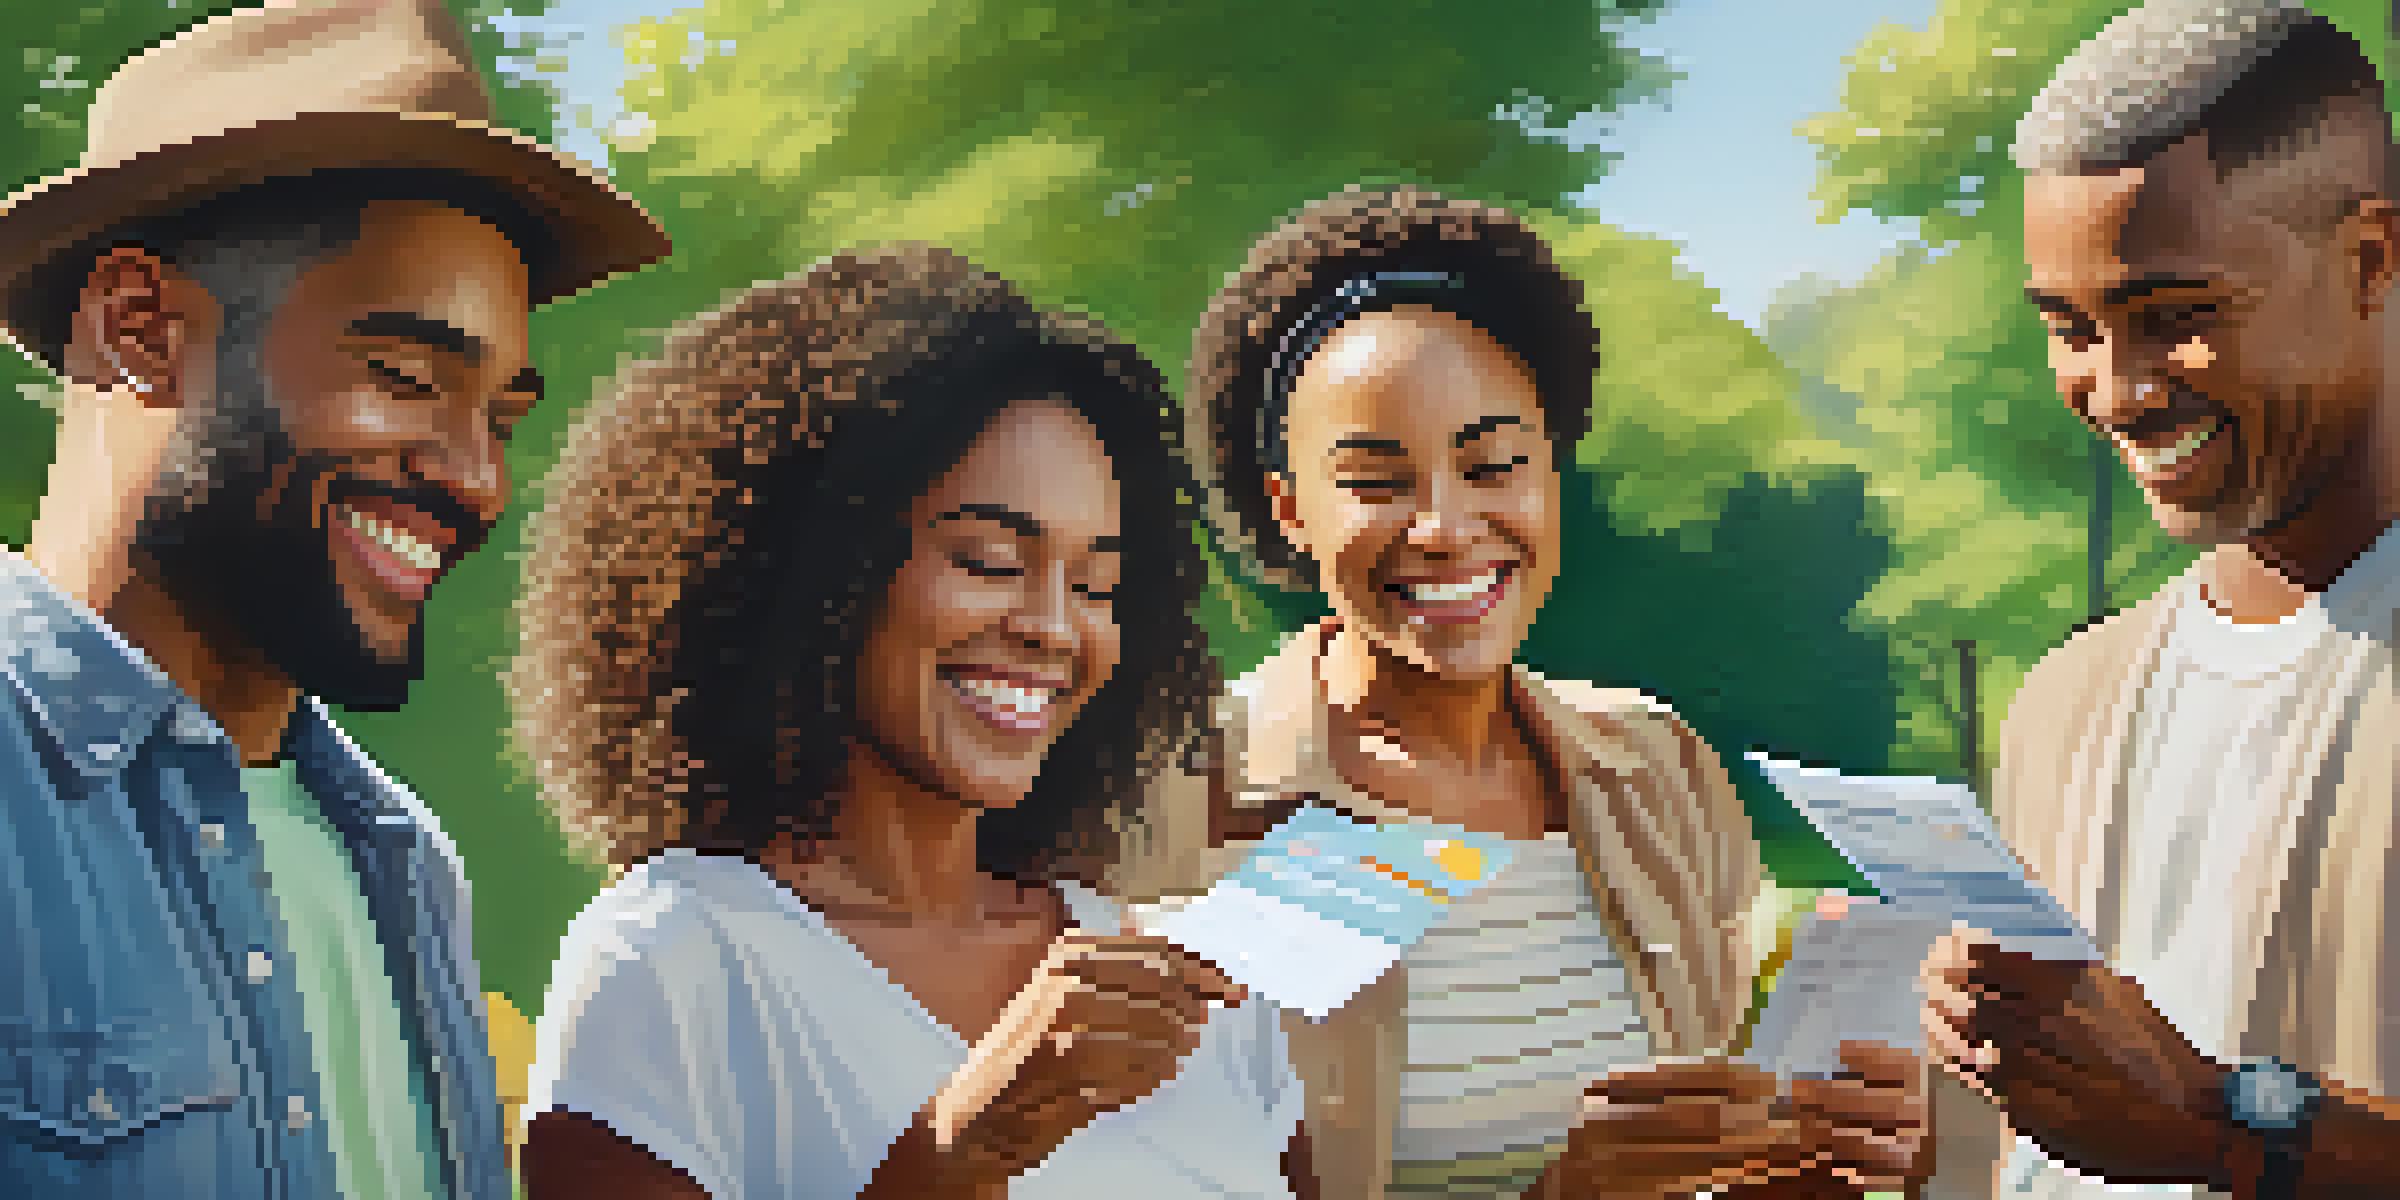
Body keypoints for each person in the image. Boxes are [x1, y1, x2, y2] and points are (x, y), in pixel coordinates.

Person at [1142, 184, 1926, 1200]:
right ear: (1289, 509)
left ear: (1551, 468)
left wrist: (1836, 1158)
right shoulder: (1179, 802)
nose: (1446, 526)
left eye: (1495, 465)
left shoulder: (1655, 763)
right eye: (1377, 482)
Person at [0, 0, 666, 1195]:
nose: (476, 476)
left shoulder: (403, 860)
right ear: (141, 327)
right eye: (407, 378)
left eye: (502, 415)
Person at [511, 246, 1307, 1199]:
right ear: (811, 571)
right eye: (985, 560)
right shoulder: (676, 963)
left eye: (1098, 584)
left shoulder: (1188, 988)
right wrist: (956, 1148)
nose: (1054, 629)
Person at [1920, 3, 2400, 1197]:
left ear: (2373, 262)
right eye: (2070, 330)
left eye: (2176, 319)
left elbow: (2178, 1116)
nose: (2117, 393)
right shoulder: (2067, 700)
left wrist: (2223, 1123)